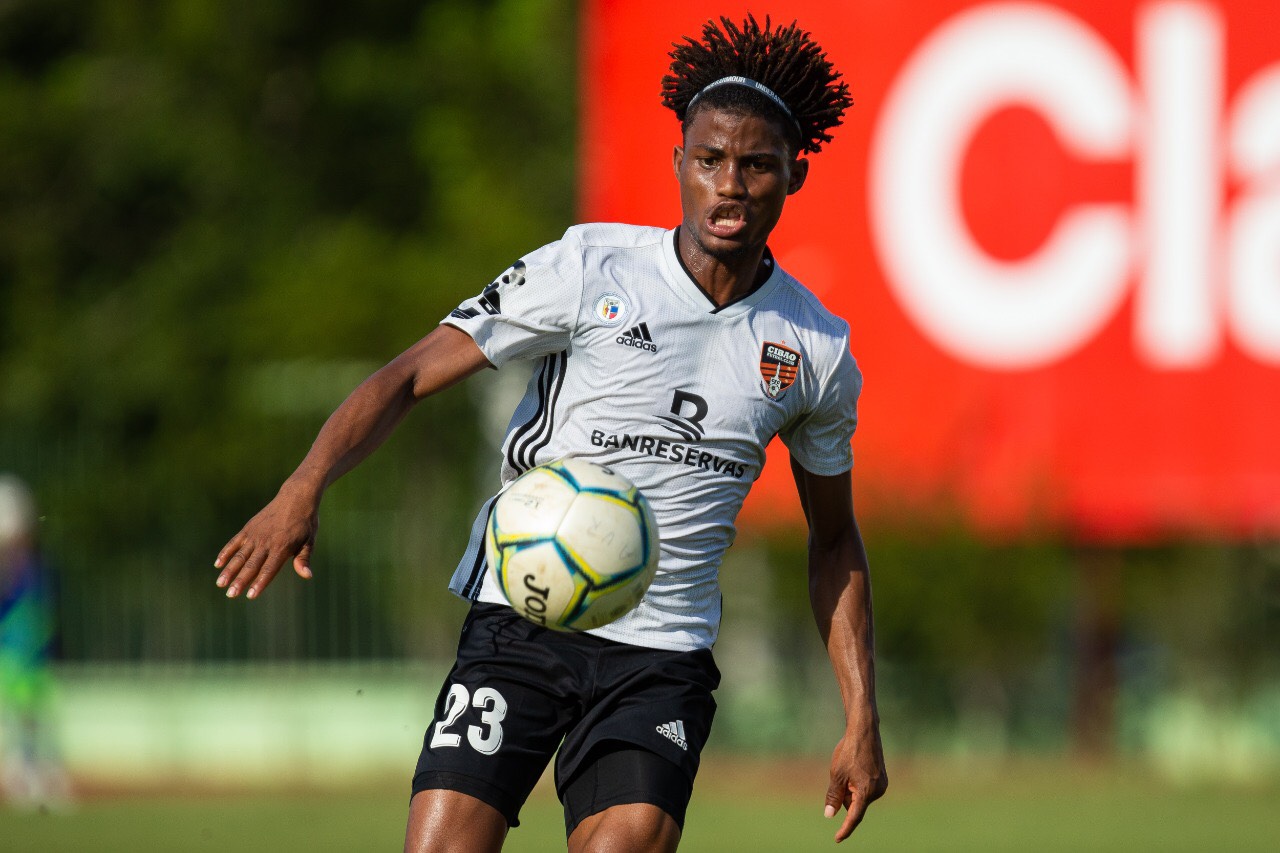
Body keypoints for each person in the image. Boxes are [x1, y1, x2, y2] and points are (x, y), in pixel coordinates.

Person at [215, 15, 886, 850]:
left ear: (796, 174)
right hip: (521, 619)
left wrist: (862, 715)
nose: (730, 185)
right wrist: (302, 485)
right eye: (709, 159)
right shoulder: (590, 266)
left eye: (757, 165)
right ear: (679, 163)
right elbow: (409, 374)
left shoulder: (815, 348)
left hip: (662, 657)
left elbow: (834, 539)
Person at [0, 474, 68, 810]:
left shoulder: (35, 569)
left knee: (39, 720)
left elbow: (43, 617)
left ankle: (41, 774)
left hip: (34, 660)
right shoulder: (15, 573)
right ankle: (22, 776)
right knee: (20, 720)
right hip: (13, 660)